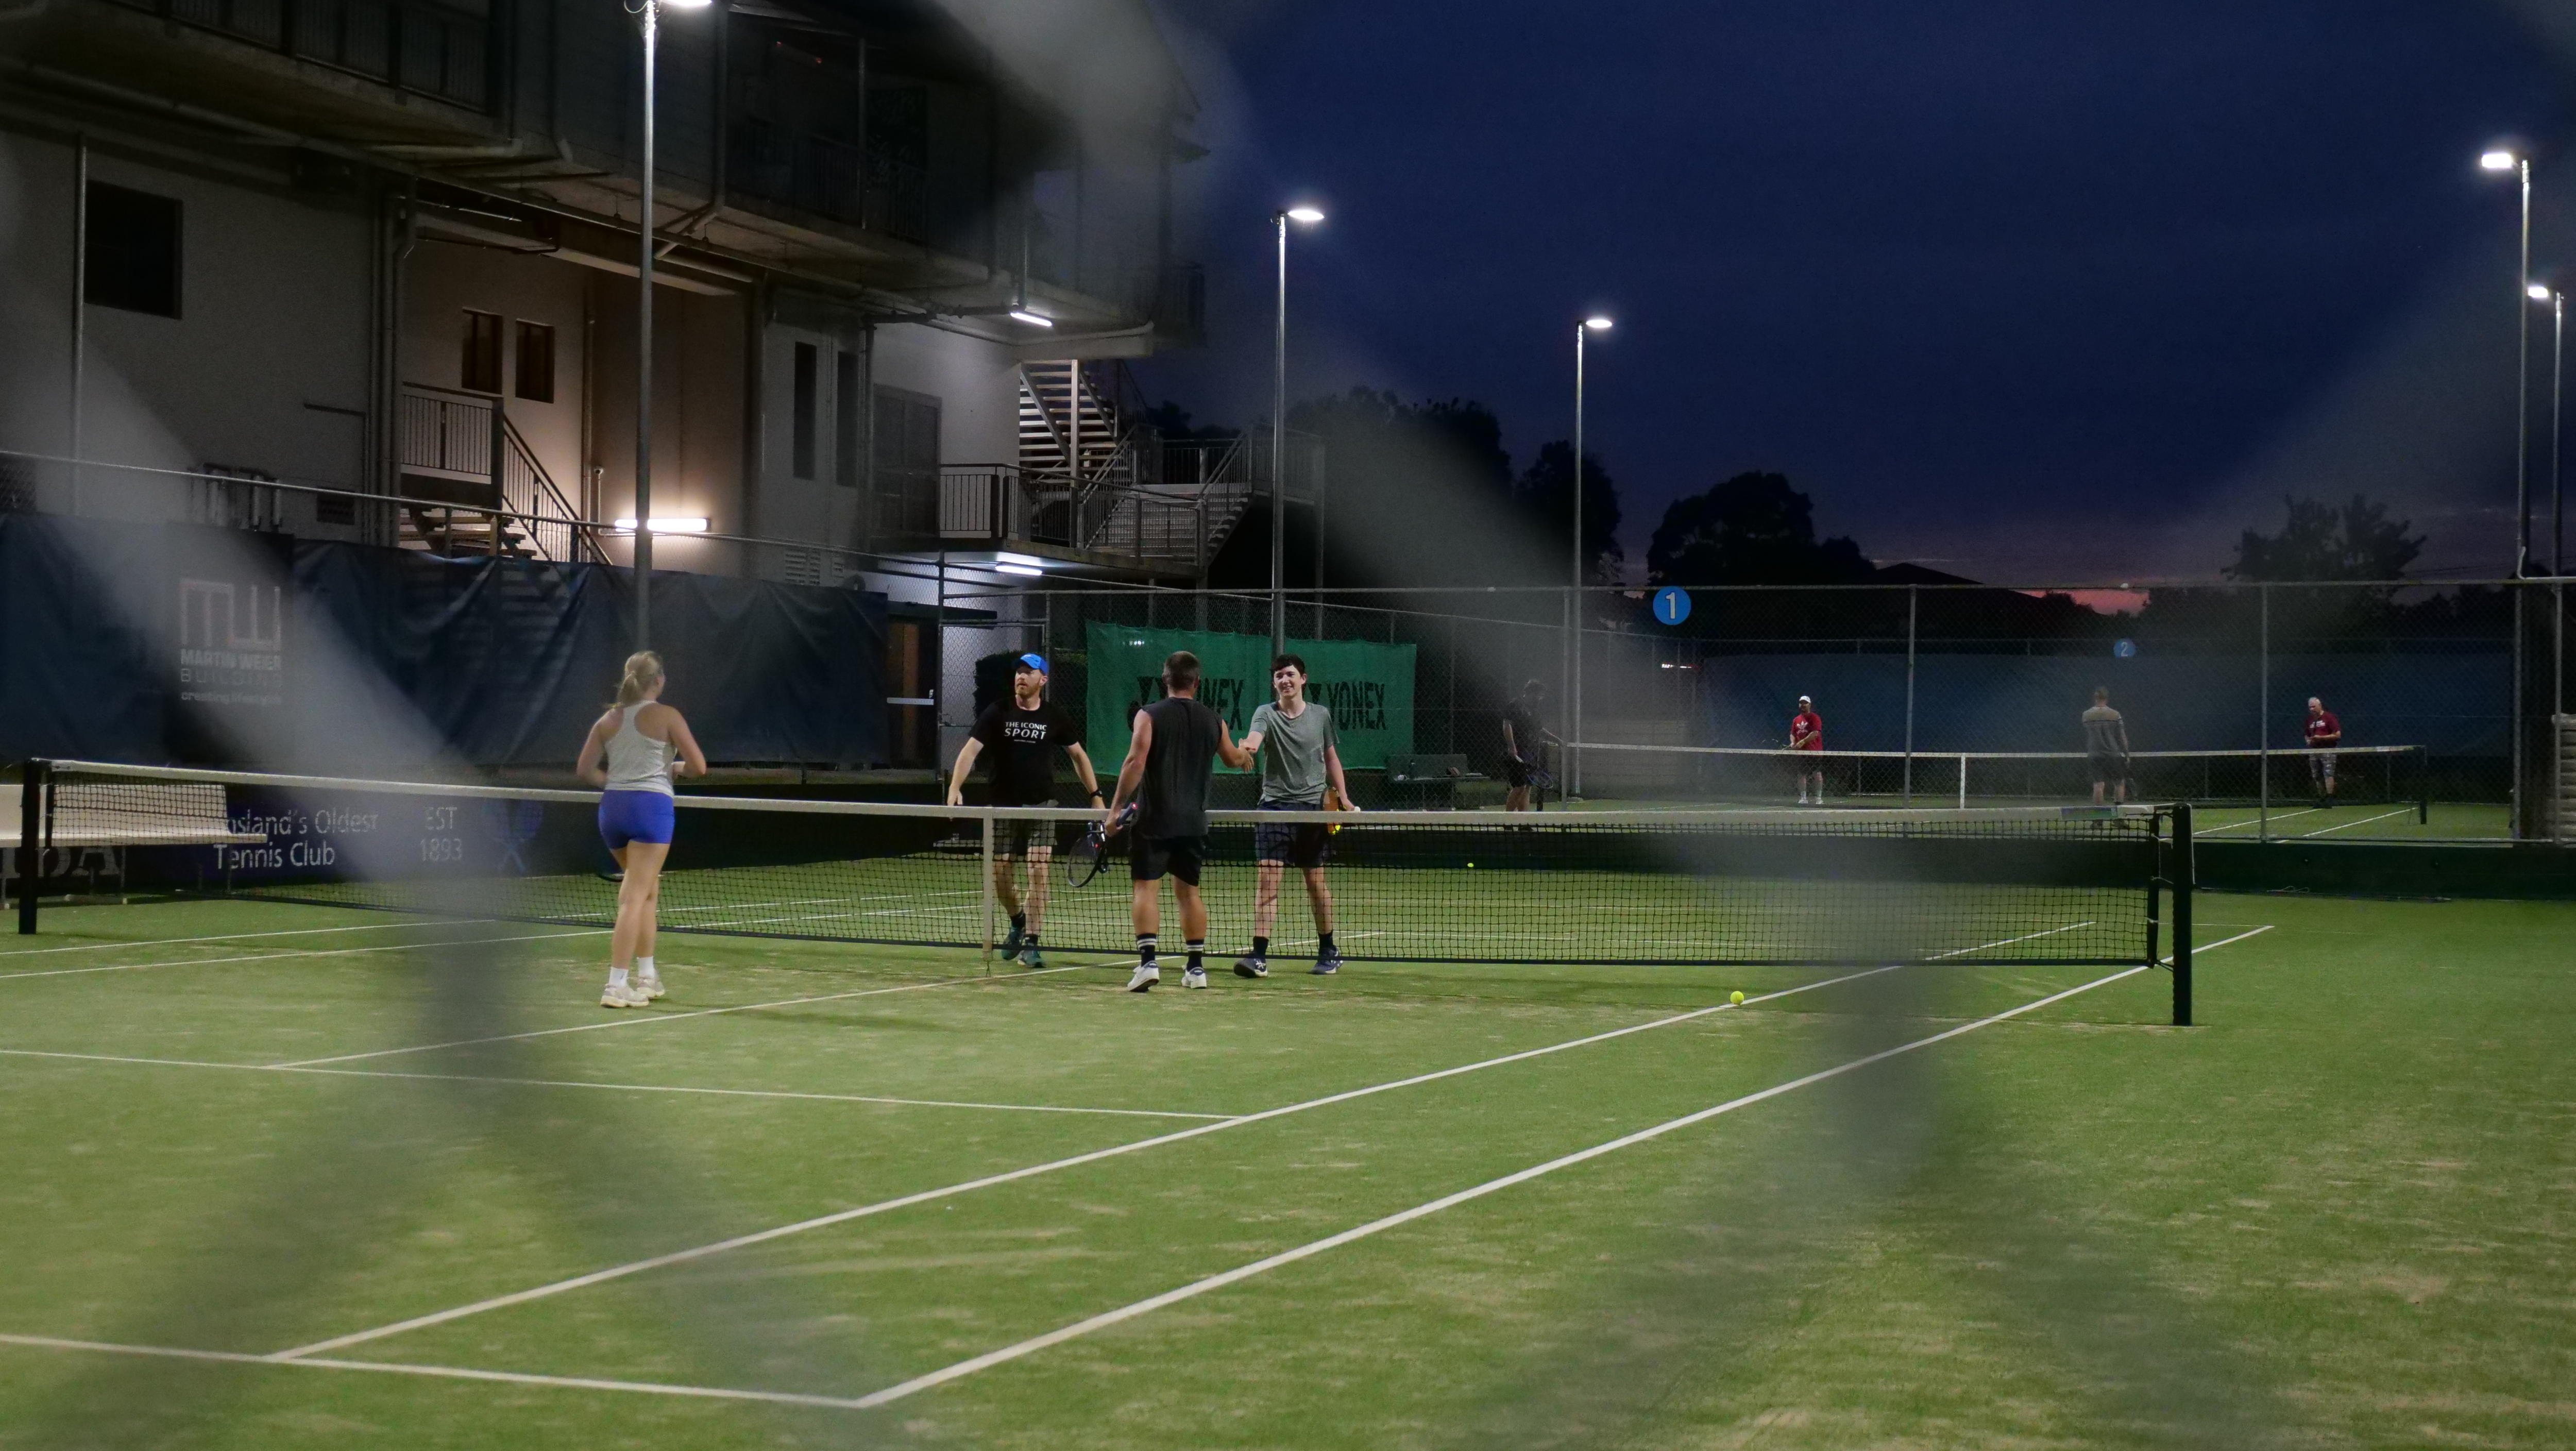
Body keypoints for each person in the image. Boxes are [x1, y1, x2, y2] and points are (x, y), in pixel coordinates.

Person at [1106, 651, 1252, 992]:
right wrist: (1246, 753)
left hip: (1154, 820)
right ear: (1197, 682)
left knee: (1145, 889)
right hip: (1193, 824)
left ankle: (1148, 964)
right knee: (1189, 894)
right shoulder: (1215, 720)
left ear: (1165, 679)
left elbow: (1134, 763)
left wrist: (1114, 810)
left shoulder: (1148, 715)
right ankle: (1196, 969)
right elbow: (1233, 759)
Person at [946, 653, 1103, 969]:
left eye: (1029, 672)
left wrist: (1096, 796)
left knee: (1038, 869)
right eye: (1018, 672)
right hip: (1002, 806)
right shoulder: (998, 711)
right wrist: (954, 788)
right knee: (1001, 875)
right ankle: (1017, 920)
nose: (1021, 677)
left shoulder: (1053, 716)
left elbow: (1078, 756)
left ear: (1042, 680)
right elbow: (969, 751)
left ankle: (1031, 942)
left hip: (1043, 805)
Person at [576, 651, 707, 1009]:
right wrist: (677, 768)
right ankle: (616, 984)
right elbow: (700, 767)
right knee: (635, 896)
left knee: (647, 889)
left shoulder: (608, 720)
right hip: (651, 810)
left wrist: (619, 783)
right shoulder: (668, 716)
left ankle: (647, 976)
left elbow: (586, 771)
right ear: (658, 681)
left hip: (614, 810)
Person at [1233, 655, 1360, 980]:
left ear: (1303, 679)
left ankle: (1328, 951)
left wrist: (1343, 798)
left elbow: (1331, 757)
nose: (1285, 680)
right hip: (1274, 809)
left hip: (1313, 811)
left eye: (1290, 675)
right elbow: (1255, 739)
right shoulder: (1265, 713)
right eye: (1279, 676)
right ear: (1274, 683)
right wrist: (1247, 747)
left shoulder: (1321, 715)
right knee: (1267, 885)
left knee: (1315, 884)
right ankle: (1258, 957)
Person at [1500, 680, 1555, 811]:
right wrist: (1512, 747)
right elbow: (1507, 725)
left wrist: (1557, 739)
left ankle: (1523, 823)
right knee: (1520, 787)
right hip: (1518, 753)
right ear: (1528, 693)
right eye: (1537, 695)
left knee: (1527, 788)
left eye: (1541, 696)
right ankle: (1507, 821)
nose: (1539, 698)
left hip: (1531, 753)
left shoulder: (1535, 711)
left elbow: (1539, 730)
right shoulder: (1516, 705)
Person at [2082, 686, 2130, 805]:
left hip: (2095, 754)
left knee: (2098, 785)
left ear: (2095, 698)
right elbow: (2122, 737)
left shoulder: (2086, 715)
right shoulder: (2115, 715)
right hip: (2113, 754)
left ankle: (2098, 820)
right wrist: (2127, 754)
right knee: (2119, 783)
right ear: (2107, 698)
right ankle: (2118, 817)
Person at [2304, 696, 2342, 804]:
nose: (2312, 709)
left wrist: (2321, 738)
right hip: (2314, 750)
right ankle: (2322, 796)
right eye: (2310, 707)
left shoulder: (2329, 718)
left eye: (2314, 707)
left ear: (2320, 706)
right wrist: (2308, 741)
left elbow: (2337, 735)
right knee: (2316, 775)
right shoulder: (2310, 720)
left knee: (2328, 773)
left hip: (2328, 749)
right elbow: (2306, 734)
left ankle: (2330, 797)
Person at [1789, 694, 1825, 805]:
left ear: (1810, 705)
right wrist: (1793, 742)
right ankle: (1803, 798)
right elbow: (1793, 734)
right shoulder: (1796, 720)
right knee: (1801, 775)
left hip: (1814, 751)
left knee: (1817, 775)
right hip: (1801, 754)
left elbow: (1815, 734)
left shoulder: (1815, 718)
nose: (1803, 705)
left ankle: (1818, 798)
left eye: (1805, 703)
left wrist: (1803, 742)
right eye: (1801, 703)